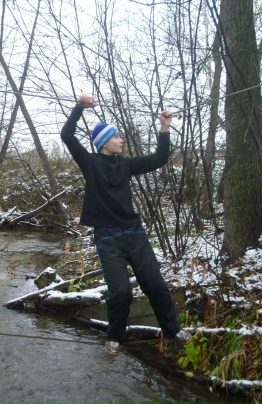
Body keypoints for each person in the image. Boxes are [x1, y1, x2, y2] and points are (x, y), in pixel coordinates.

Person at [61, 94, 192, 356]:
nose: (121, 140)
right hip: (108, 237)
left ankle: (172, 330)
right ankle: (115, 337)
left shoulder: (126, 164)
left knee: (155, 284)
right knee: (120, 291)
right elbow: (67, 135)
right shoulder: (90, 162)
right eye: (117, 137)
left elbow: (160, 158)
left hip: (134, 233)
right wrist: (79, 108)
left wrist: (164, 128)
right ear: (104, 142)